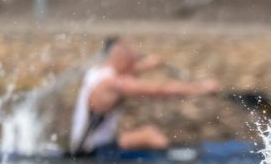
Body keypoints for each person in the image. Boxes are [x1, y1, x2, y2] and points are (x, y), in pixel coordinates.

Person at [68, 38, 220, 156]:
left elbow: (127, 71)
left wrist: (148, 64)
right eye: (134, 60)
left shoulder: (97, 74)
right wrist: (201, 88)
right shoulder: (114, 83)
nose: (136, 65)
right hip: (91, 151)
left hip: (86, 145)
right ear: (121, 60)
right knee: (152, 137)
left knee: (148, 134)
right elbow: (158, 90)